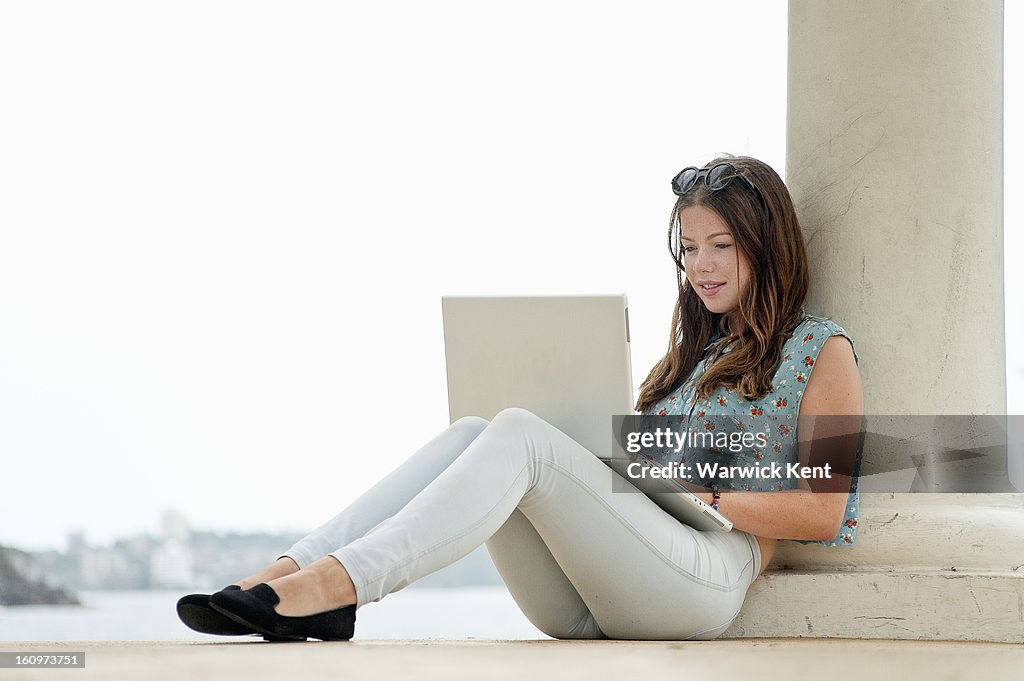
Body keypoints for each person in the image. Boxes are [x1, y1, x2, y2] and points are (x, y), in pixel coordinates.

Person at [176, 155, 863, 642]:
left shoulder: (819, 348)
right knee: (479, 428)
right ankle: (292, 567)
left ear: (766, 246)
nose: (700, 266)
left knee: (521, 436)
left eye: (721, 245)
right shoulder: (684, 358)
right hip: (596, 593)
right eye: (688, 248)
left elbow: (824, 511)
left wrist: (702, 489)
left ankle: (338, 587)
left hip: (707, 574)